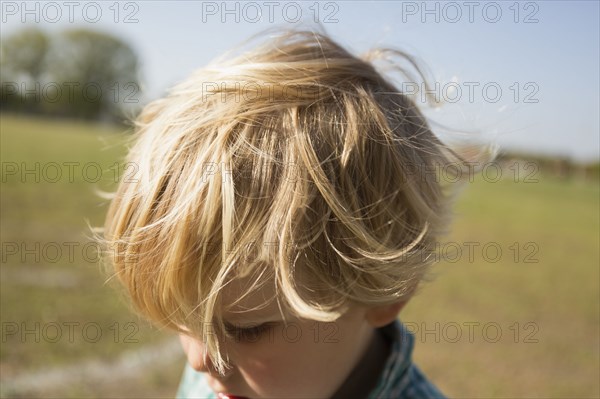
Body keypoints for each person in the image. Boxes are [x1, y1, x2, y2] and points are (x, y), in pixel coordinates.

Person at [102, 28, 491, 399]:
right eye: (184, 321)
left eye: (246, 329)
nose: (199, 360)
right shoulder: (224, 379)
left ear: (387, 296)